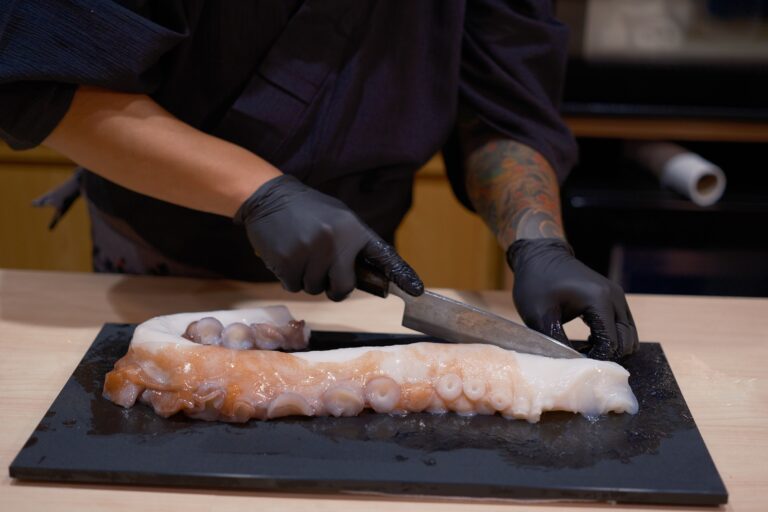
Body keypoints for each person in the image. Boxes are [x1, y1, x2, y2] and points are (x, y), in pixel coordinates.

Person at [0, 0, 638, 361]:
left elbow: (502, 106)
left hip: (359, 273)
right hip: (154, 259)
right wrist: (261, 194)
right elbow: (45, 82)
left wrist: (538, 241)